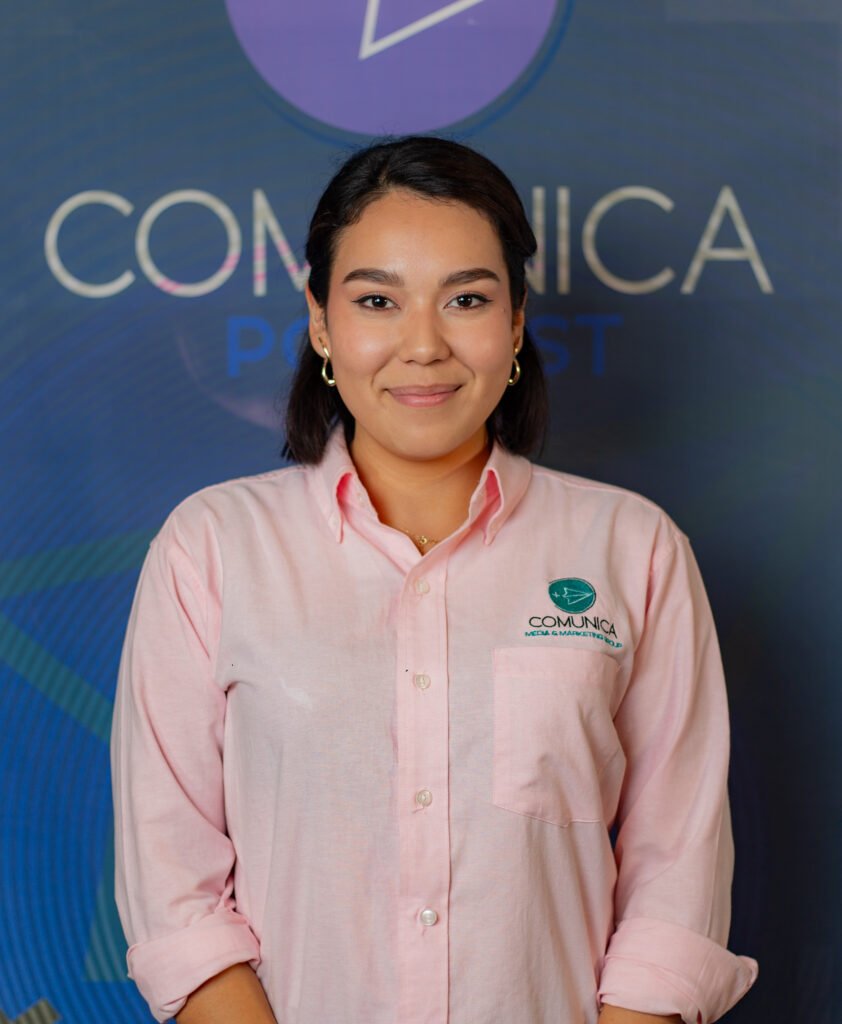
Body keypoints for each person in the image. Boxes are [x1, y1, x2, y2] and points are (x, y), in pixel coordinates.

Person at [110, 136, 758, 1024]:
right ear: (322, 321)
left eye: (466, 299)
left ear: (517, 323)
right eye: (378, 299)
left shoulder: (632, 549)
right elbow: (171, 884)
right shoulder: (215, 546)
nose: (423, 345)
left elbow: (677, 879)